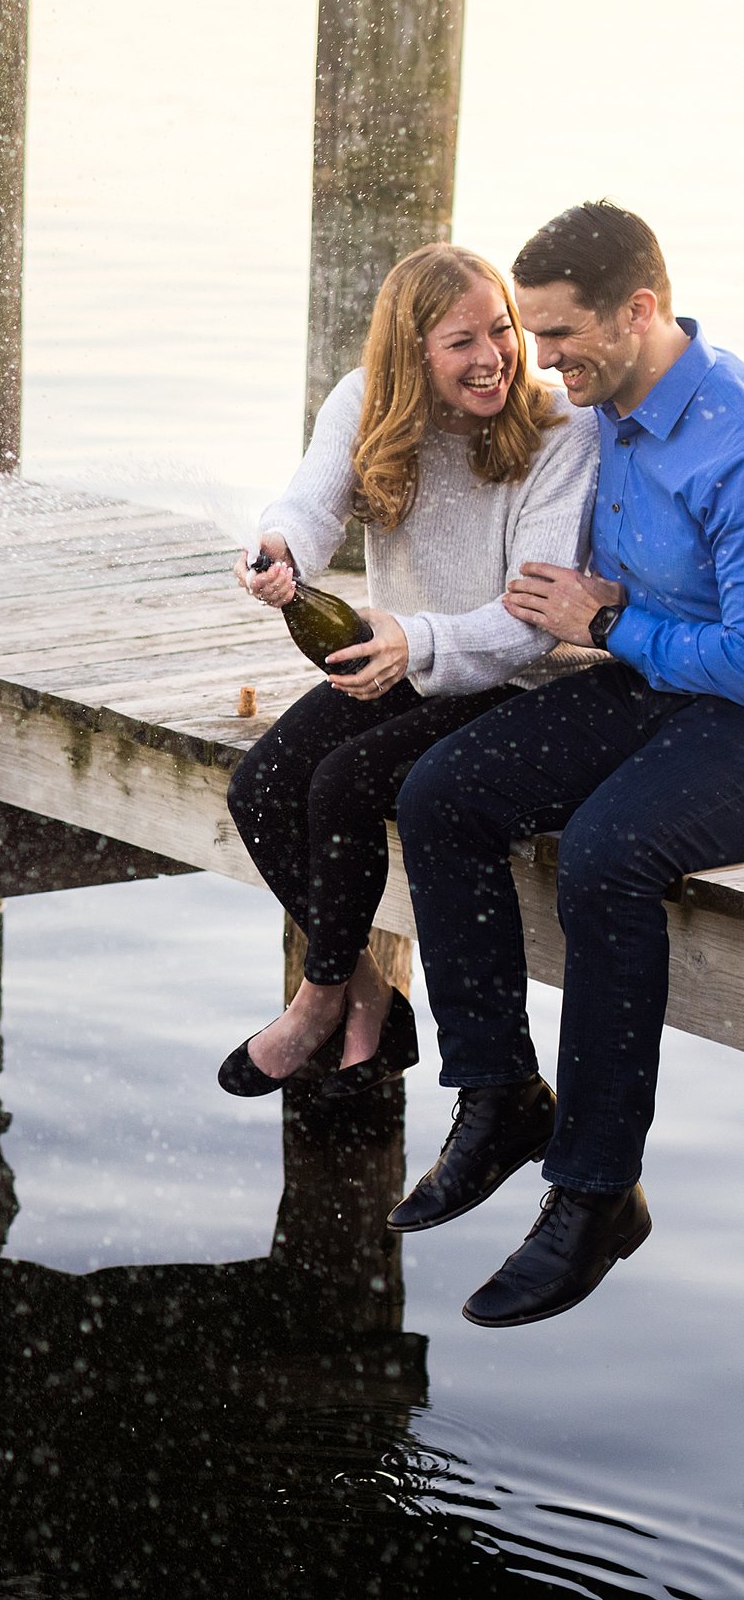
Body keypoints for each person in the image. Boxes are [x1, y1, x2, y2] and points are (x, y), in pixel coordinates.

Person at [390, 203, 744, 1327]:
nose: (538, 362)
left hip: (730, 707)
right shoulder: (604, 411)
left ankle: (595, 1193)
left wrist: (609, 623)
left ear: (639, 310)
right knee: (440, 794)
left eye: (556, 337)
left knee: (606, 853)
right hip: (648, 681)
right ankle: (497, 1094)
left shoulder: (732, 438)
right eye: (531, 337)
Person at [219, 244, 598, 1103]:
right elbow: (308, 508)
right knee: (262, 787)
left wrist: (414, 640)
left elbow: (530, 623)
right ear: (412, 353)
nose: (492, 357)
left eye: (501, 331)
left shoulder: (559, 431)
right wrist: (276, 552)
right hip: (410, 657)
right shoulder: (365, 402)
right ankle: (365, 992)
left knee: (346, 782)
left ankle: (317, 1002)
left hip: (516, 682)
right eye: (461, 341)